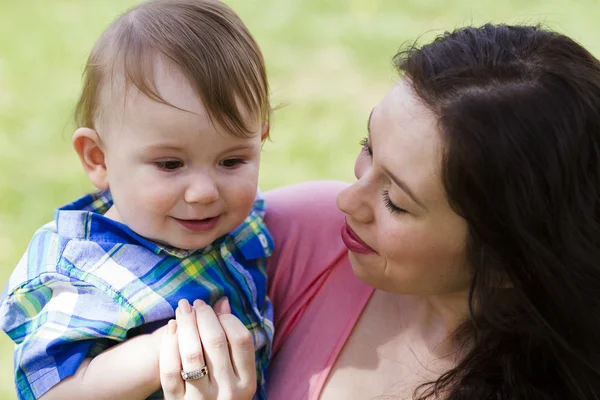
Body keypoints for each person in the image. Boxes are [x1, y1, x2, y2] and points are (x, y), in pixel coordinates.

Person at [157, 24, 600, 400]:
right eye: (369, 147)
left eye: (397, 202)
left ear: (510, 262)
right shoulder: (294, 236)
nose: (347, 201)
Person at [0, 1, 274, 399]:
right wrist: (154, 355)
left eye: (232, 160)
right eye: (169, 164)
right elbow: (51, 391)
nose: (204, 193)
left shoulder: (241, 222)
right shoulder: (85, 271)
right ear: (99, 158)